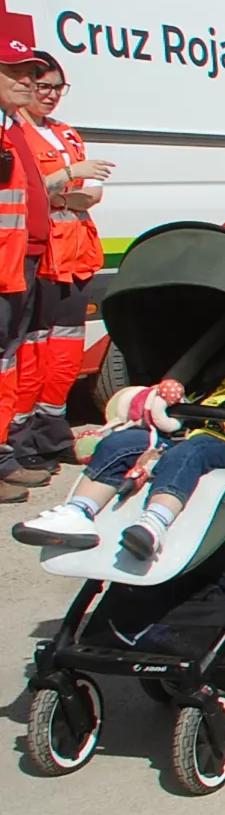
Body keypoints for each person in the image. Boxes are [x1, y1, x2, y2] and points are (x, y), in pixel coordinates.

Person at [17, 321, 225, 560]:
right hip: (192, 441)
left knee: (193, 450)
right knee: (124, 441)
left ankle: (155, 523)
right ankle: (78, 512)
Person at [9, 54, 110, 475]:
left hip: (78, 253)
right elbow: (33, 189)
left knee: (66, 349)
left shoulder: (66, 133)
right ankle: (21, 435)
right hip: (42, 255)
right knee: (31, 351)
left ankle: (53, 429)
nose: (49, 95)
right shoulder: (18, 133)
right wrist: (70, 176)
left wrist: (68, 187)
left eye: (56, 88)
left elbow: (91, 193)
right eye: (42, 86)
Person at [0, 38, 60, 504]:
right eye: (15, 71)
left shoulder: (9, 129)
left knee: (7, 360)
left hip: (15, 265)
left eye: (30, 71)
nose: (27, 80)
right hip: (7, 266)